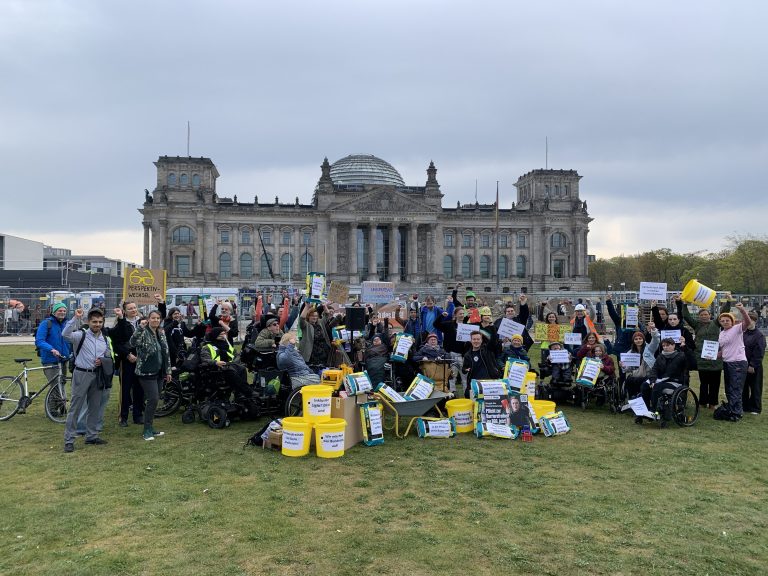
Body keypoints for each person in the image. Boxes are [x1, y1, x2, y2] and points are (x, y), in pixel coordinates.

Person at [62, 308, 112, 453]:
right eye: (94, 322)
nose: (97, 324)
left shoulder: (105, 339)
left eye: (100, 322)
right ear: (88, 322)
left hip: (97, 376)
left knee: (95, 407)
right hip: (81, 374)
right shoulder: (80, 335)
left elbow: (108, 355)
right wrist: (75, 318)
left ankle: (92, 436)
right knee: (75, 408)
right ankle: (69, 440)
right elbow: (65, 335)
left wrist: (103, 361)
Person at [129, 310, 171, 441]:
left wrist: (168, 371)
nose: (156, 320)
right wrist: (140, 328)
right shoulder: (143, 331)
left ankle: (150, 427)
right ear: (148, 319)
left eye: (158, 318)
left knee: (155, 399)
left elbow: (166, 352)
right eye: (153, 318)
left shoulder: (161, 332)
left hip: (159, 371)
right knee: (153, 399)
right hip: (146, 372)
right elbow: (133, 342)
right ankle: (146, 429)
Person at [680, 295, 728, 408]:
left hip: (715, 359)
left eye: (706, 314)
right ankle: (702, 402)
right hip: (701, 358)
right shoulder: (696, 325)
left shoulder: (716, 323)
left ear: (710, 315)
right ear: (698, 316)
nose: (704, 316)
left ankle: (712, 403)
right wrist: (685, 304)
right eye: (701, 315)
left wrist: (728, 302)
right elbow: (686, 316)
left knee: (715, 383)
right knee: (704, 383)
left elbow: (723, 313)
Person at [640, 337, 693, 423]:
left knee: (657, 387)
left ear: (673, 345)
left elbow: (692, 362)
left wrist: (685, 348)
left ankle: (654, 411)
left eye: (667, 345)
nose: (665, 347)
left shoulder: (681, 356)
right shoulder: (660, 356)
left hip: (675, 381)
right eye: (663, 346)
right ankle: (646, 409)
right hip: (661, 380)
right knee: (645, 386)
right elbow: (654, 370)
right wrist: (653, 380)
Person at [111, 301, 145, 427]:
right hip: (126, 361)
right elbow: (117, 343)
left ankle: (138, 415)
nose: (133, 310)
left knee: (139, 389)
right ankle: (123, 417)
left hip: (140, 360)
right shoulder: (121, 323)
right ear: (125, 311)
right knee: (125, 390)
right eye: (130, 308)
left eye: (135, 307)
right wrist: (127, 354)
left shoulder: (142, 321)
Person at [200, 327, 254, 400]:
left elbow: (236, 355)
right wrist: (215, 362)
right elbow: (205, 359)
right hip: (217, 369)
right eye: (221, 334)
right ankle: (247, 391)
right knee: (231, 372)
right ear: (215, 335)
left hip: (229, 365)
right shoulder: (207, 347)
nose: (224, 335)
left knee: (242, 369)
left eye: (224, 334)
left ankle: (239, 394)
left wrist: (234, 363)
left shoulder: (227, 345)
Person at [718, 303, 751, 421]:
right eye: (722, 321)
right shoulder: (722, 333)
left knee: (736, 388)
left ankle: (736, 413)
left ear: (732, 321)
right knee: (729, 388)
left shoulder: (737, 329)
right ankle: (732, 409)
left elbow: (748, 323)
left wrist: (742, 310)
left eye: (727, 320)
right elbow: (723, 350)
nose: (725, 322)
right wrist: (713, 355)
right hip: (727, 362)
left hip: (737, 362)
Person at [35, 302, 71, 397]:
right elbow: (39, 341)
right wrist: (52, 349)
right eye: (60, 310)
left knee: (61, 384)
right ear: (54, 312)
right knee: (55, 386)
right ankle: (53, 410)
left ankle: (59, 409)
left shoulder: (67, 324)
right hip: (50, 360)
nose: (62, 312)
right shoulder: (46, 323)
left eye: (64, 311)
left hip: (63, 360)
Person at [620, 323, 659, 400]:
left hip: (647, 375)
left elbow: (655, 341)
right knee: (629, 381)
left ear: (643, 339)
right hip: (635, 375)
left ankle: (643, 399)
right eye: (636, 339)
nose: (638, 340)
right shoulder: (630, 353)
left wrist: (654, 330)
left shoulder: (649, 349)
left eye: (640, 338)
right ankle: (633, 400)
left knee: (642, 382)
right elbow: (628, 369)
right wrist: (623, 366)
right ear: (633, 341)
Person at [462, 331, 500, 398]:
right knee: (468, 396)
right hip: (474, 382)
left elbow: (493, 340)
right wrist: (466, 369)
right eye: (474, 339)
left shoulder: (487, 350)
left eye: (478, 339)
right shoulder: (467, 355)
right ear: (471, 340)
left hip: (487, 382)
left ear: (481, 340)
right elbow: (464, 368)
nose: (476, 341)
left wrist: (492, 327)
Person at [742, 310, 766, 415]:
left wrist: (752, 365)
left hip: (753, 366)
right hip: (743, 364)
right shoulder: (743, 333)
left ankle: (756, 407)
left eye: (750, 320)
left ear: (755, 321)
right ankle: (745, 405)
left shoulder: (759, 335)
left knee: (755, 387)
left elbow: (759, 351)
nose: (748, 322)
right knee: (744, 386)